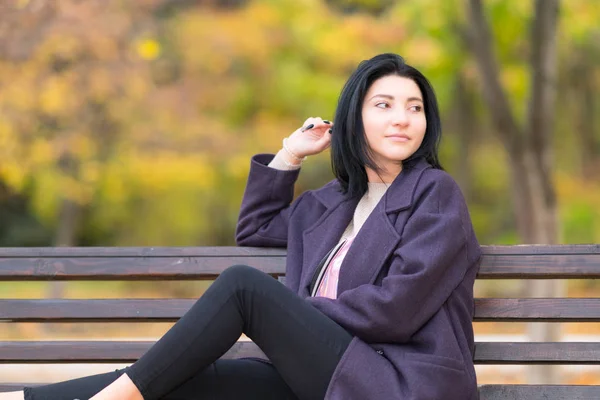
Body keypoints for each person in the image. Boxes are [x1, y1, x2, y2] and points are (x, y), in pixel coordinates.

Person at [2, 53, 481, 400]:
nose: (403, 119)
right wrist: (291, 153)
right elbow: (256, 226)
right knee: (197, 378)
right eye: (384, 105)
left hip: (399, 383)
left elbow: (397, 310)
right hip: (335, 374)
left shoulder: (435, 194)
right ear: (353, 116)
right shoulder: (332, 203)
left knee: (242, 287)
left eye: (415, 107)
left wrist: (294, 316)